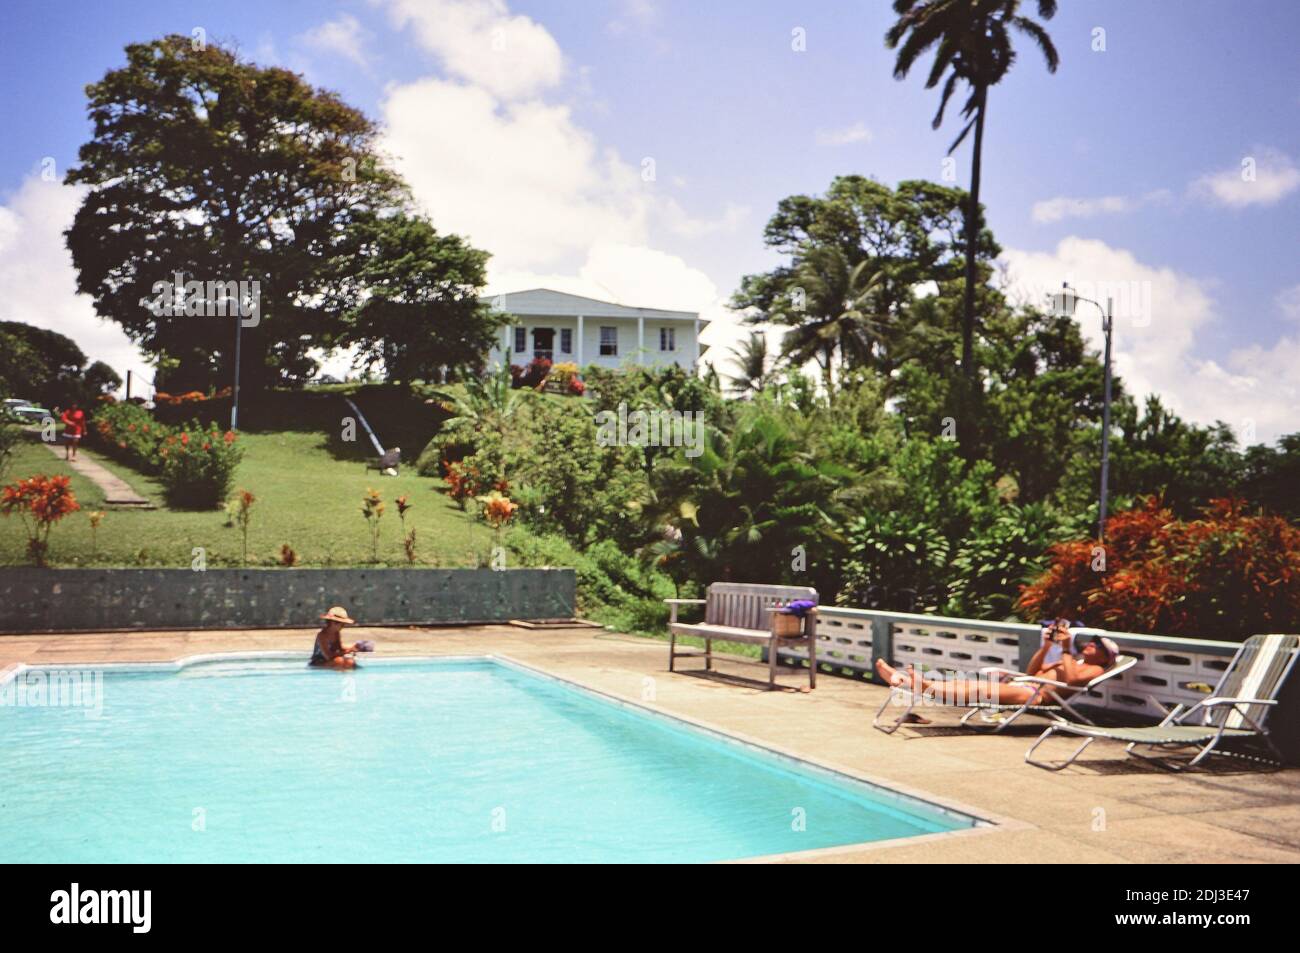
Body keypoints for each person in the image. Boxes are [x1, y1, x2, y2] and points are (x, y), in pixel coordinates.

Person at [875, 618, 1118, 706]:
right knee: (963, 684)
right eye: (1092, 641)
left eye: (1097, 645)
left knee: (981, 690)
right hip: (1026, 684)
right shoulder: (1071, 660)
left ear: (1105, 657)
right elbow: (1033, 671)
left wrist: (1065, 649)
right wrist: (1046, 647)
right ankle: (904, 680)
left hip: (1035, 696)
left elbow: (1073, 681)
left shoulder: (1094, 668)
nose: (1091, 644)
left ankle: (923, 686)